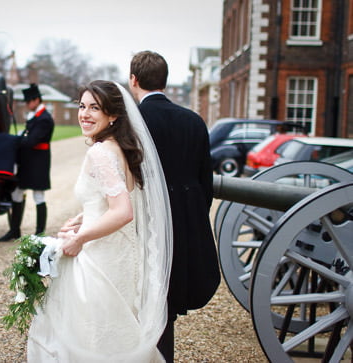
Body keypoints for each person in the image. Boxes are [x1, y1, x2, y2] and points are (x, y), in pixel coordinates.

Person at [27, 80, 172, 362]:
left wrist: (79, 238)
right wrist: (85, 218)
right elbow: (112, 199)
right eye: (82, 106)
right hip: (121, 255)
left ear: (113, 115)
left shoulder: (99, 152)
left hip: (100, 258)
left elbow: (123, 211)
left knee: (91, 337)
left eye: (95, 108)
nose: (85, 114)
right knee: (113, 334)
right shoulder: (119, 146)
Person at [129, 50, 221, 362]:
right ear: (164, 81)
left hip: (148, 222)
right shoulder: (194, 121)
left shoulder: (134, 121)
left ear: (134, 79)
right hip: (186, 219)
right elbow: (205, 181)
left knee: (151, 294)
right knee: (170, 295)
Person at [0, 84, 54, 242]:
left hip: (38, 163)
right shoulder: (36, 116)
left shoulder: (44, 119)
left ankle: (39, 233)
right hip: (27, 161)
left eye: (29, 102)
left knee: (38, 196)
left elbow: (32, 140)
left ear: (36, 100)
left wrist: (16, 140)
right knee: (17, 193)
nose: (27, 105)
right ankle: (14, 230)